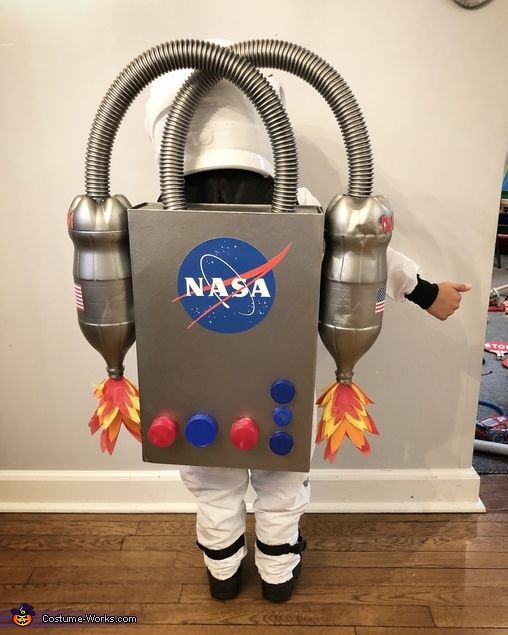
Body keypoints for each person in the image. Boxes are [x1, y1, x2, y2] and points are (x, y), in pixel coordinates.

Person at [145, 70, 471, 603]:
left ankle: (223, 571)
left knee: (209, 474)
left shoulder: (158, 211)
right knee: (279, 474)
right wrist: (426, 291)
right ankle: (277, 571)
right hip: (279, 377)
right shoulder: (295, 200)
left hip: (189, 378)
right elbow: (365, 249)